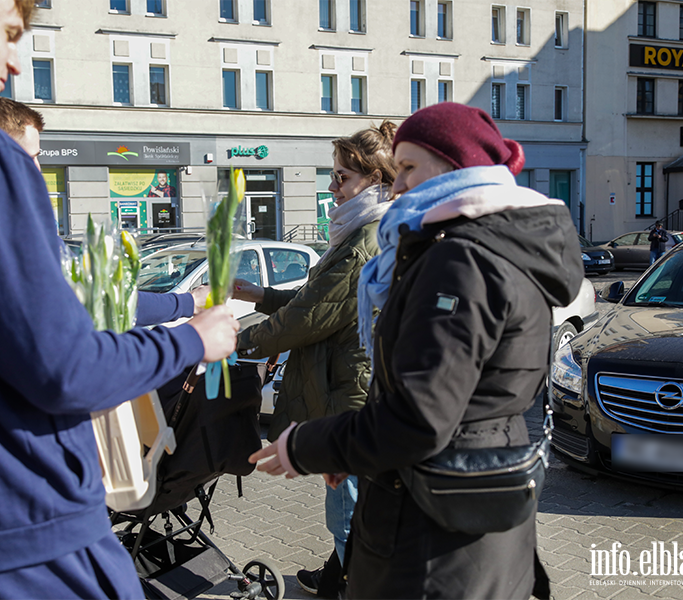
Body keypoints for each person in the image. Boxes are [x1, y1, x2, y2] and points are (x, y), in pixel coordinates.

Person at [0, 0, 238, 599]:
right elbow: (65, 368)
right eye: (8, 33)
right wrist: (194, 338)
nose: (15, 62)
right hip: (19, 530)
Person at [249, 102, 584, 600]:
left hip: (435, 534)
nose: (397, 184)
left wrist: (308, 445)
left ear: (456, 167)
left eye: (408, 167)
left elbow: (419, 420)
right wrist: (361, 449)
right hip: (470, 506)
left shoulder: (458, 263)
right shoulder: (492, 247)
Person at [233, 122, 397, 599]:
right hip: (362, 393)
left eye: (342, 177)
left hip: (351, 399)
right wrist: (262, 294)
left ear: (375, 180)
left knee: (348, 520)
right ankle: (335, 581)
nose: (332, 186)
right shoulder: (368, 230)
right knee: (363, 508)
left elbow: (309, 317)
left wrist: (232, 340)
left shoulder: (366, 240)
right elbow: (320, 301)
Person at [0, 98, 208, 325]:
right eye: (30, 157)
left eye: (38, 157)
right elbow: (95, 303)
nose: (38, 170)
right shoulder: (13, 230)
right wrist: (189, 306)